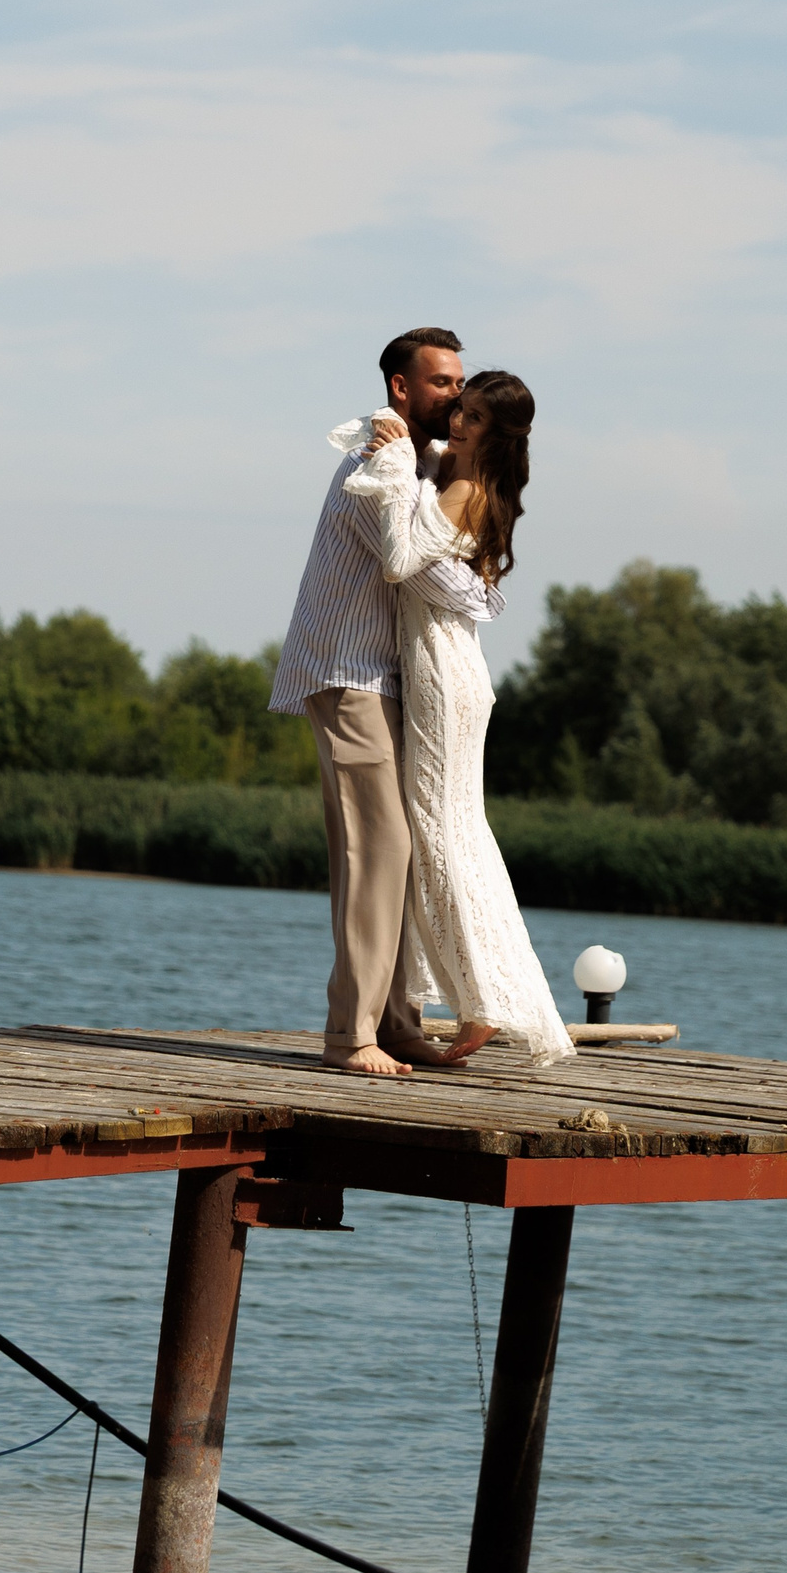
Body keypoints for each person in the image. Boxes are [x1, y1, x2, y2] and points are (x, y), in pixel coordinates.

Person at [268, 328, 507, 1077]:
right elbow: (420, 572)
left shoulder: (425, 462)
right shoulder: (379, 462)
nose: (456, 396)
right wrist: (485, 596)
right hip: (346, 672)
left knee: (406, 849)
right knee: (377, 849)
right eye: (441, 383)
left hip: (388, 677)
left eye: (461, 383)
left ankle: (398, 1024)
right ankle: (351, 1035)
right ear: (401, 388)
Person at [343, 372, 575, 1069]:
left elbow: (399, 560)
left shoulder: (467, 489)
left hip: (445, 675)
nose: (458, 422)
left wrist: (394, 467)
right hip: (444, 668)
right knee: (453, 833)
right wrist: (408, 451)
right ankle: (484, 998)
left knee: (442, 837)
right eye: (461, 410)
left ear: (496, 435)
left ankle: (484, 1005)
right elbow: (428, 468)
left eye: (473, 418)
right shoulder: (452, 470)